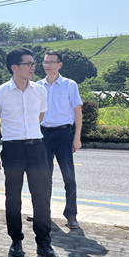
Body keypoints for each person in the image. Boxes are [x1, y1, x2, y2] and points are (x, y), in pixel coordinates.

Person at [0, 47, 60, 257]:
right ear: (14, 67)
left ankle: (44, 242)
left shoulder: (40, 90)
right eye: (28, 63)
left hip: (37, 147)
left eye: (33, 63)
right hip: (13, 149)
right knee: (13, 197)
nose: (33, 67)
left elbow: (40, 116)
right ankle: (16, 240)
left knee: (42, 197)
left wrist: (29, 132)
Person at [38, 50, 83, 229]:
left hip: (63, 133)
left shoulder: (69, 85)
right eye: (45, 62)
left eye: (51, 62)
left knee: (68, 176)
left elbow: (77, 111)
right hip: (43, 134)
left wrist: (77, 137)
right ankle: (42, 212)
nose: (47, 65)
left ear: (59, 65)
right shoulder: (37, 86)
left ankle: (71, 214)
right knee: (43, 176)